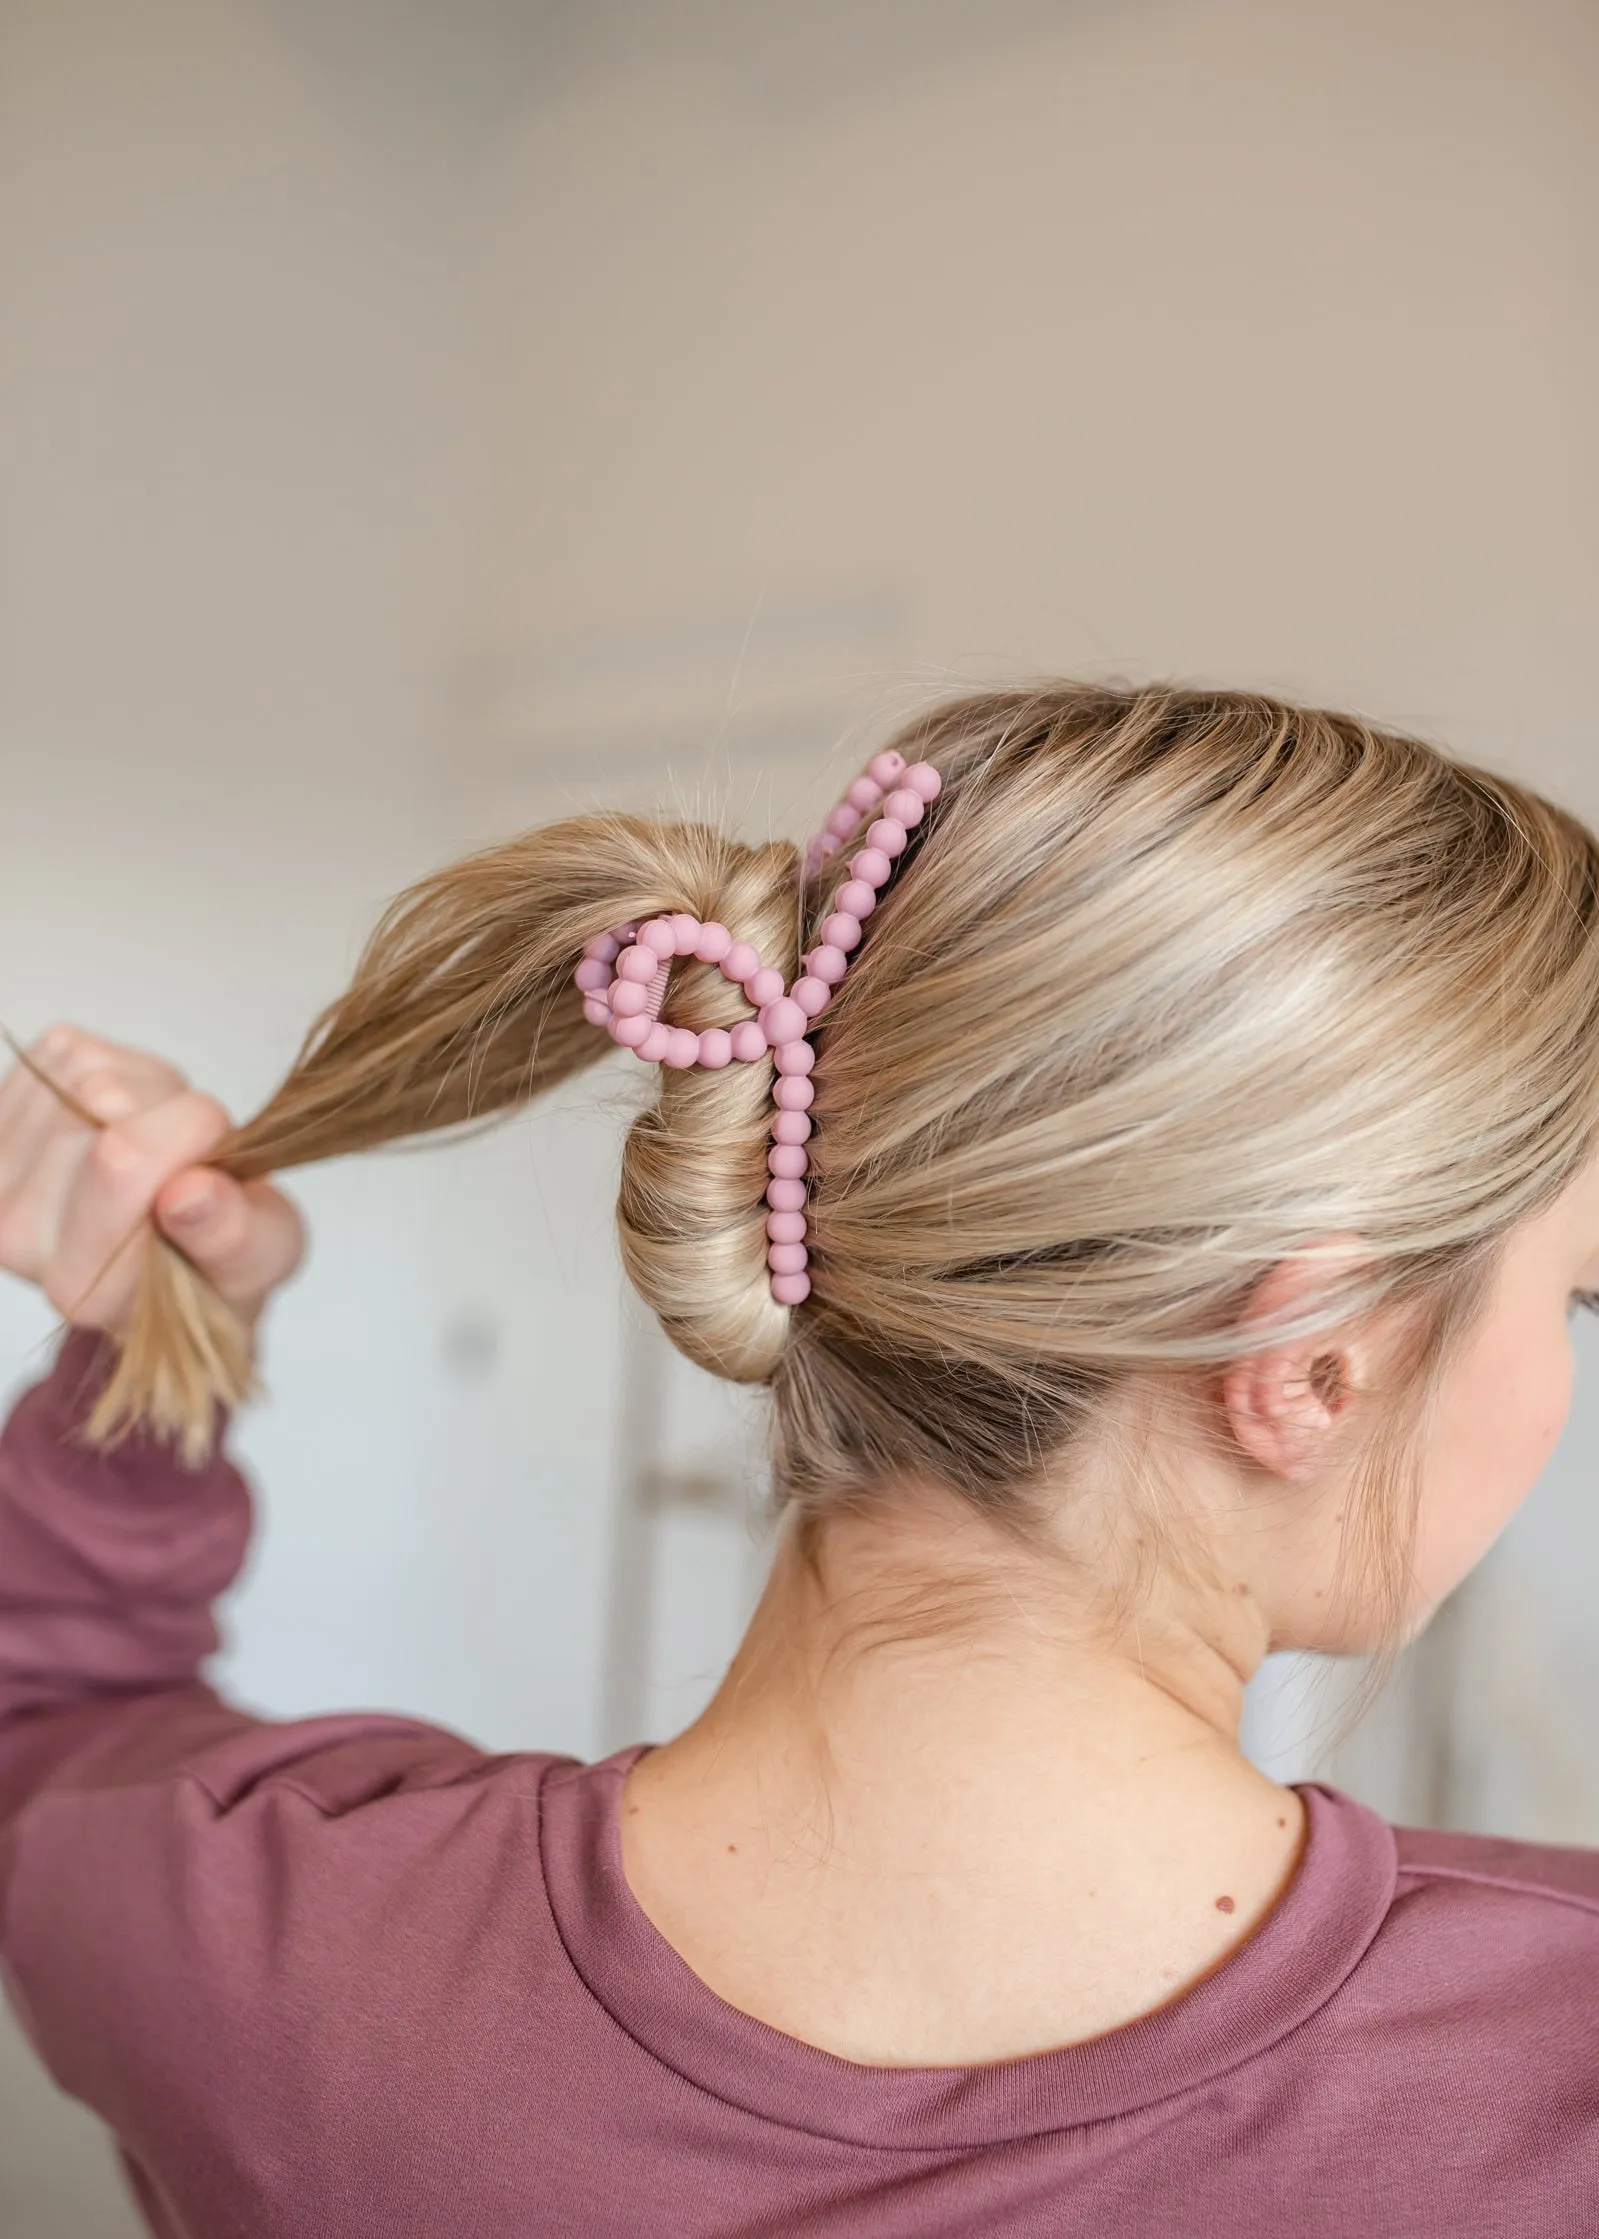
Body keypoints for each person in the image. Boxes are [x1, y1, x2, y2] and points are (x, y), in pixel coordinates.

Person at [2, 682, 1598, 2238]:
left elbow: (44, 1705)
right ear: (1316, 1359)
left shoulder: (268, 1948)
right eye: (1574, 1291)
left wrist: (158, 1337)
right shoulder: (1546, 2072)